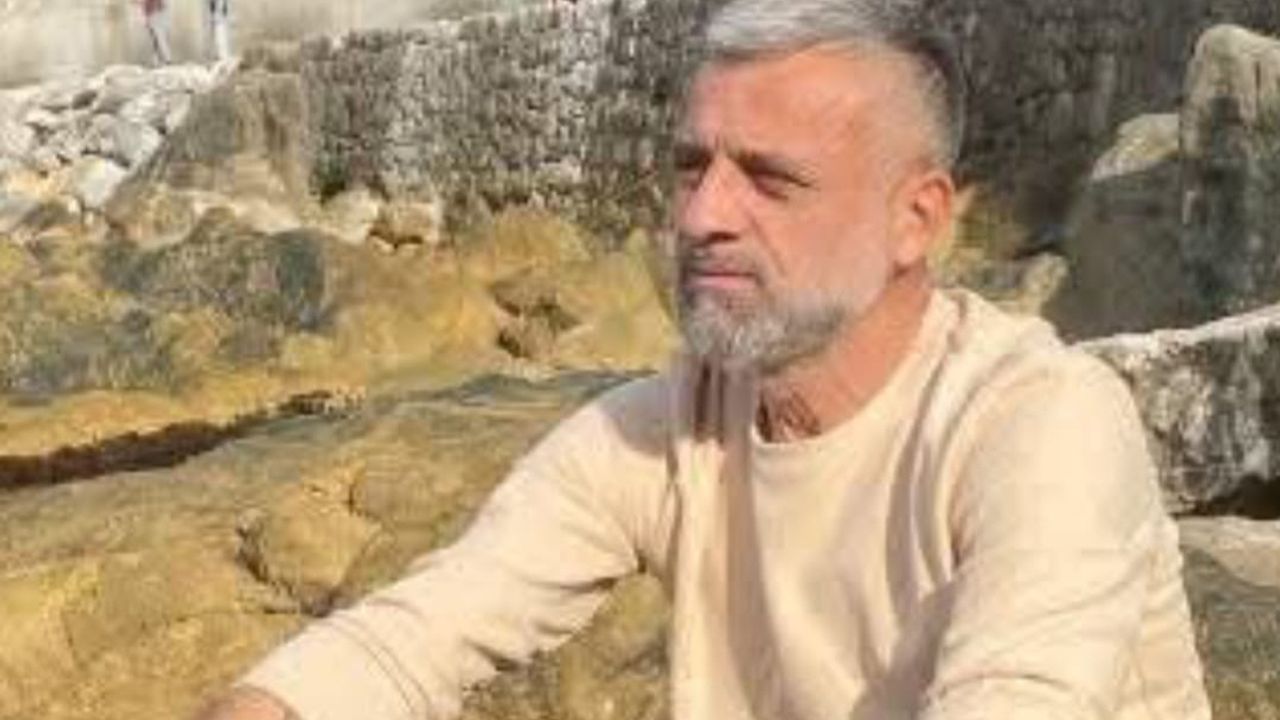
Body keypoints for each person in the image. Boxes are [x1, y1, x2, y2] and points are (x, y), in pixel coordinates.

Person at [198, 0, 1212, 718]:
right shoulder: (665, 431)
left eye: (769, 179)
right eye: (692, 167)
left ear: (915, 218)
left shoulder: (1039, 425)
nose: (700, 216)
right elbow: (412, 637)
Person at [143, 0, 172, 66]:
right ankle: (159, 59)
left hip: (156, 16)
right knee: (155, 38)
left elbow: (162, 6)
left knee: (158, 38)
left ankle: (164, 59)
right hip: (153, 15)